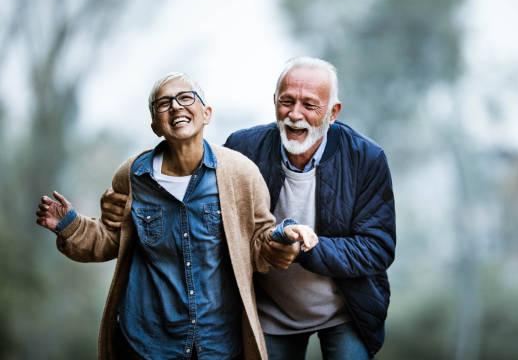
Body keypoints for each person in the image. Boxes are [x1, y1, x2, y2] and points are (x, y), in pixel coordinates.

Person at [102, 58, 396, 359]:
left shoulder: (366, 158)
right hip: (269, 311)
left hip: (345, 311)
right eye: (286, 101)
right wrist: (129, 202)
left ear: (333, 112)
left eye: (310, 105)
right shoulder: (242, 149)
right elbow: (196, 202)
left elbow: (378, 247)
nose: (295, 114)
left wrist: (303, 247)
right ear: (274, 102)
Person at [35, 72, 318, 360]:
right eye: (163, 103)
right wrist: (69, 225)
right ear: (156, 126)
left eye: (185, 97)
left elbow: (259, 245)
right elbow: (110, 239)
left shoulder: (240, 174)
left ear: (206, 114)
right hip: (146, 344)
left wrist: (284, 237)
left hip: (218, 345)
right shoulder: (132, 176)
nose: (176, 107)